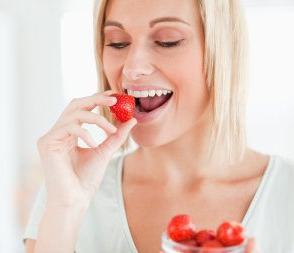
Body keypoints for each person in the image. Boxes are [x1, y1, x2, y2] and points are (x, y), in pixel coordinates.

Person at [23, 0, 294, 252]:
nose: (132, 68)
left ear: (223, 50)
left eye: (167, 41)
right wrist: (66, 209)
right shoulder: (69, 190)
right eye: (117, 43)